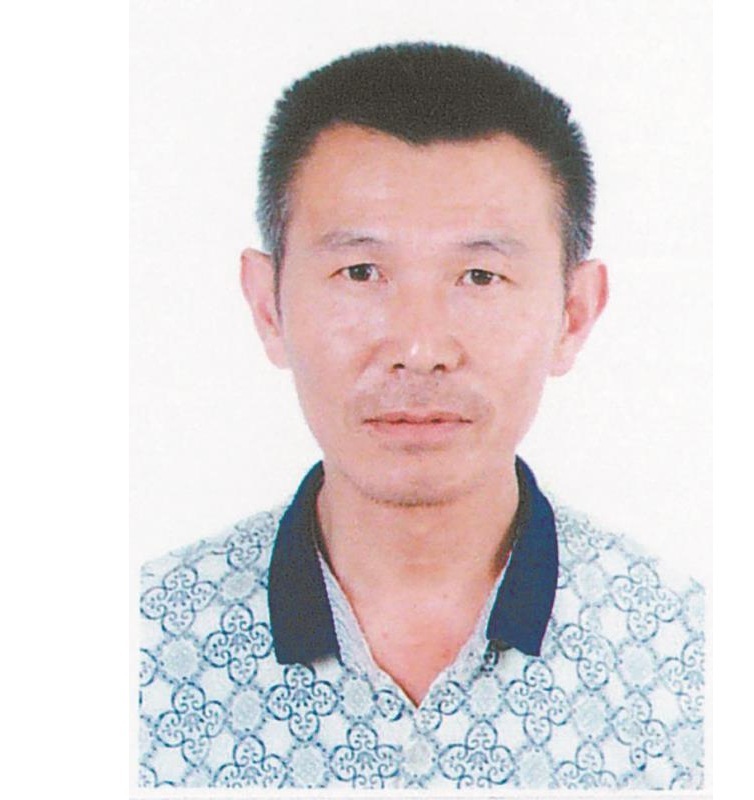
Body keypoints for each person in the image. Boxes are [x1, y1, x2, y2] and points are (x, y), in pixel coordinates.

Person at [138, 42, 704, 790]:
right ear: (267, 306)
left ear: (573, 314)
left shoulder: (689, 669)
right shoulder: (143, 652)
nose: (420, 348)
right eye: (361, 271)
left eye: (480, 275)